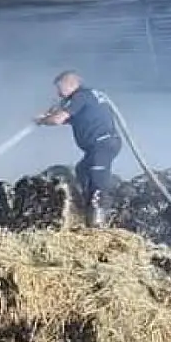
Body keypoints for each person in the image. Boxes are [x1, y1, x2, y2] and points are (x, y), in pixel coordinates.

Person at [35, 71, 122, 227]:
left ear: (70, 84)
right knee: (82, 170)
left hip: (101, 144)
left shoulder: (80, 96)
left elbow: (57, 120)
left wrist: (42, 120)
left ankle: (97, 224)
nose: (58, 94)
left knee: (97, 182)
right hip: (101, 145)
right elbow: (72, 118)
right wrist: (49, 116)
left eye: (59, 88)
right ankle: (83, 209)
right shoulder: (89, 96)